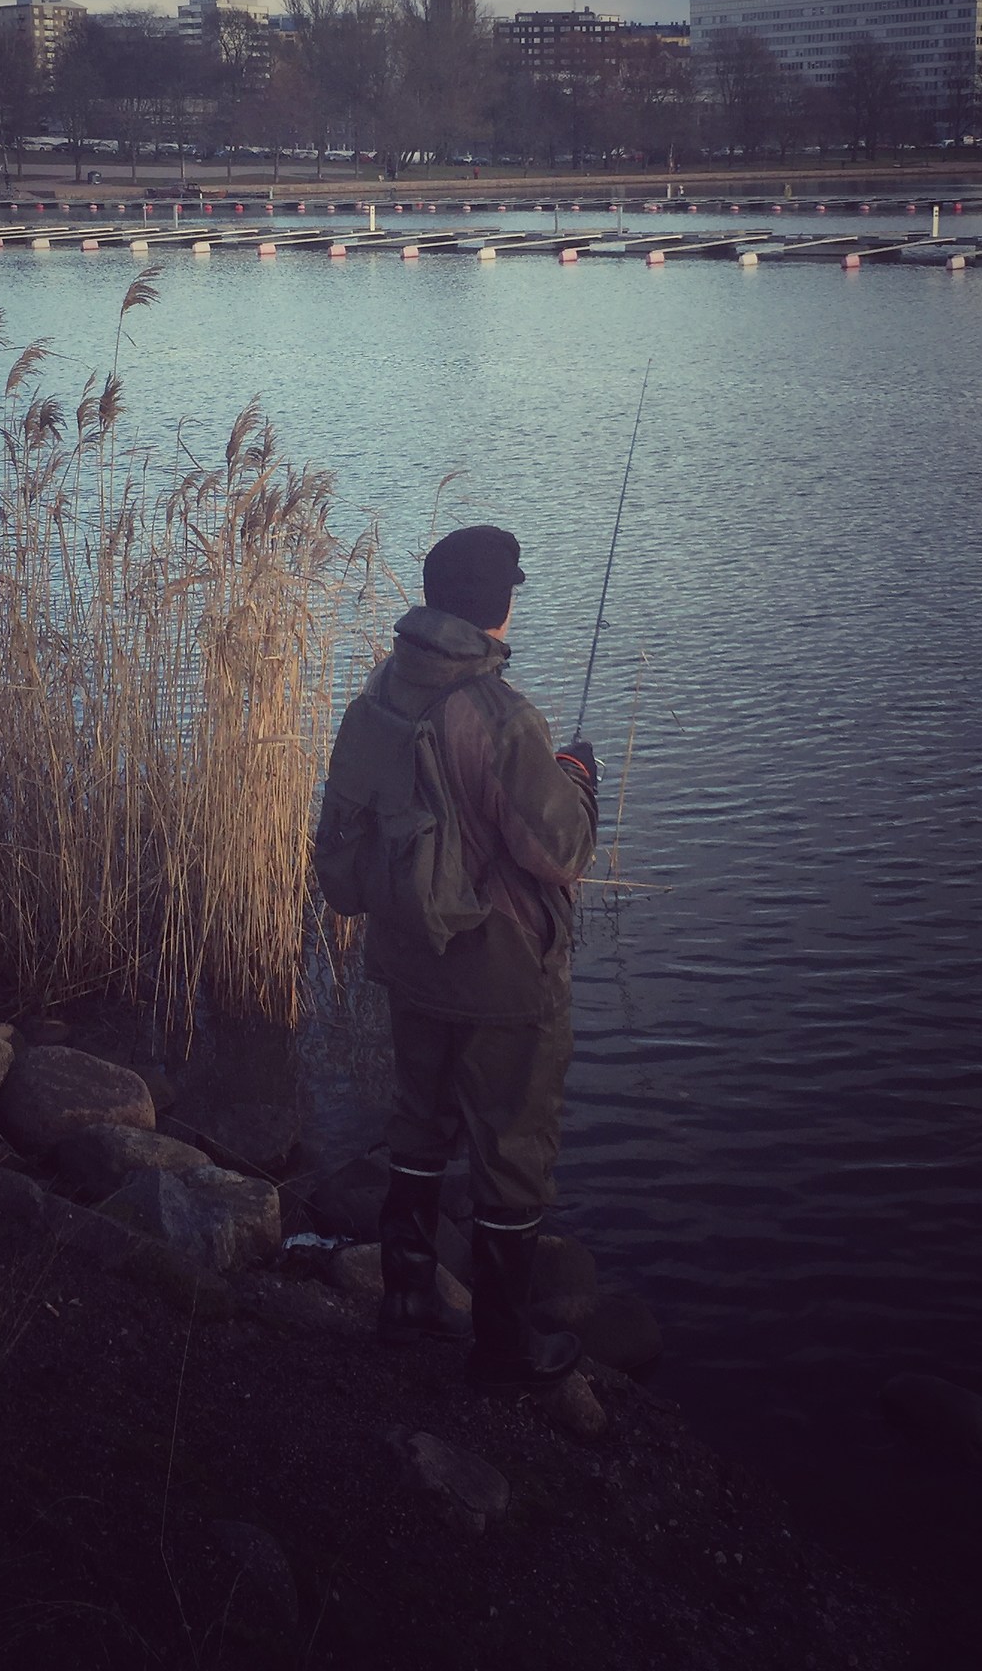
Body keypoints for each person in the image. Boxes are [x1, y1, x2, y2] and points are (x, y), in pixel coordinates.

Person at [345, 523, 599, 1390]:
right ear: (494, 608)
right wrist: (579, 782)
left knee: (420, 1123)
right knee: (513, 1150)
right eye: (512, 591)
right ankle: (502, 1345)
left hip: (410, 954)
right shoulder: (500, 714)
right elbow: (560, 852)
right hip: (501, 975)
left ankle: (405, 1300)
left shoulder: (384, 689)